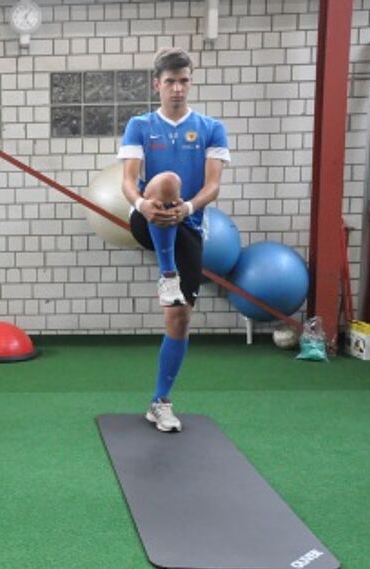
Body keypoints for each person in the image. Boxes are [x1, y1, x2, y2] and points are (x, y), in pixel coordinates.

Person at [118, 48, 230, 432]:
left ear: (190, 83)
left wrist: (188, 209)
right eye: (170, 82)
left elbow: (213, 186)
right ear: (158, 85)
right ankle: (167, 275)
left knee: (179, 320)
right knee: (167, 180)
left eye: (184, 81)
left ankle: (160, 402)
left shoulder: (211, 128)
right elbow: (128, 180)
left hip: (188, 225)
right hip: (146, 216)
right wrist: (140, 204)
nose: (177, 88)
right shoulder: (140, 125)